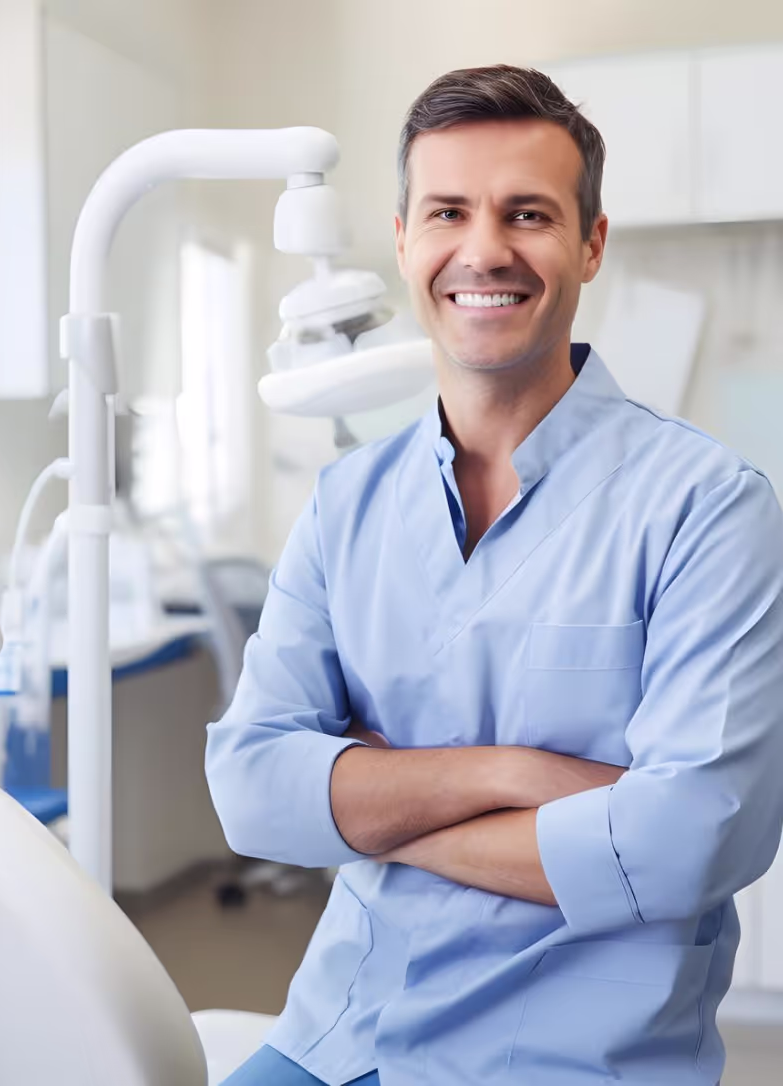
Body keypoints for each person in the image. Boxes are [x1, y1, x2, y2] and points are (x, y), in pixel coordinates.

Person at [205, 64, 783, 1085]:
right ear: (401, 241)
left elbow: (685, 842)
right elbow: (251, 792)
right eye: (447, 212)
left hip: (572, 1053)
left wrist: (370, 813)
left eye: (528, 214)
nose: (484, 250)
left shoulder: (707, 507)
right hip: (340, 1033)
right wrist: (511, 775)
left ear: (590, 243)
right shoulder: (348, 505)